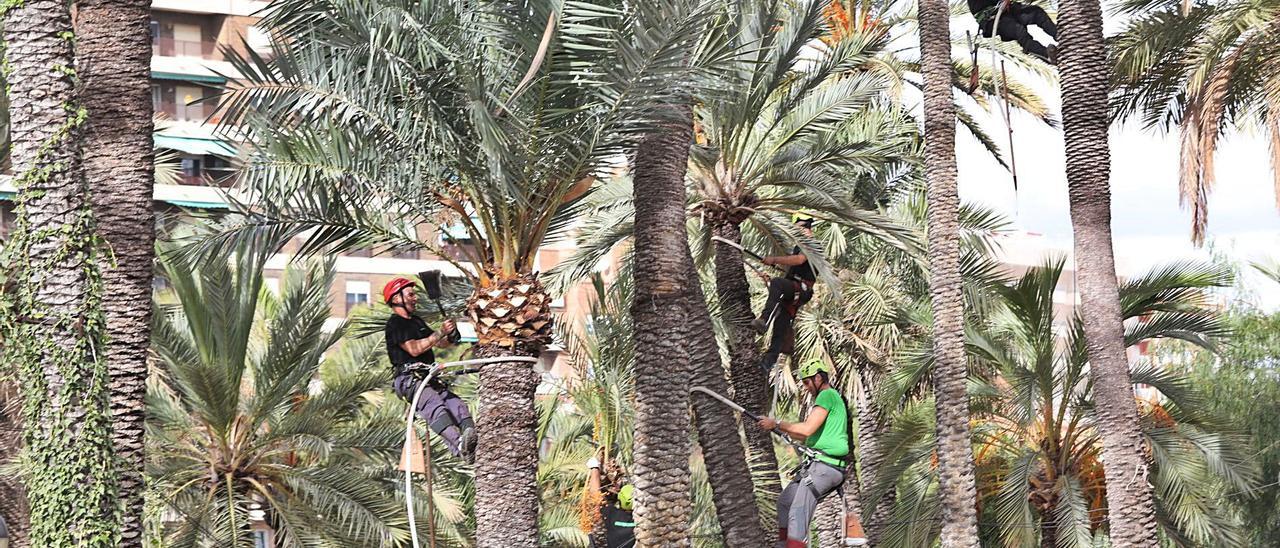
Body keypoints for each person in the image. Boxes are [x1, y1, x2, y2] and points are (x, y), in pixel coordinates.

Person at [756, 358, 865, 548]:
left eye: (807, 382)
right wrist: (778, 428)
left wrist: (777, 424)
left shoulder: (827, 395)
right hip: (817, 466)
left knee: (798, 511)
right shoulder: (829, 399)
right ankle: (785, 544)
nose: (805, 387)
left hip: (825, 467)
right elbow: (806, 435)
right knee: (785, 502)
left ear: (817, 378)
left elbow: (806, 430)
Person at [383, 276, 476, 463]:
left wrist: (450, 336)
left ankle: (470, 443)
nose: (415, 298)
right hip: (410, 378)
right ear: (396, 299)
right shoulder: (395, 324)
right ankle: (458, 443)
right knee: (434, 405)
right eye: (410, 294)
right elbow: (414, 349)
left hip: (428, 377)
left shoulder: (416, 322)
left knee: (457, 405)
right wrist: (440, 332)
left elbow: (438, 344)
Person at [752, 214, 818, 372]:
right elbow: (783, 286)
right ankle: (767, 363)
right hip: (796, 290)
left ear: (803, 226)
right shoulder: (800, 245)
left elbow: (799, 260)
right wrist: (768, 281)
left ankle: (764, 320)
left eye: (796, 228)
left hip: (802, 289)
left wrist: (774, 259)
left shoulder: (810, 243)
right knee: (781, 324)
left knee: (777, 283)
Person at [968, 0, 1058, 63]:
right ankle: (1046, 55)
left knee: (1036, 12)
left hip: (1008, 11)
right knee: (1018, 31)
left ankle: (1062, 36)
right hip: (992, 20)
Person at [587, 455, 636, 548]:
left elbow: (595, 496)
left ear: (620, 499)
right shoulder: (643, 520)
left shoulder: (611, 514)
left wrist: (594, 469)